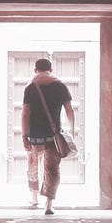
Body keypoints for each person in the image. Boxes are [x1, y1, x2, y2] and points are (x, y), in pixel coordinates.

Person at [21, 57, 75, 215]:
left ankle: (34, 198)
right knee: (52, 170)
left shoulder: (31, 88)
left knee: (33, 167)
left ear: (35, 70)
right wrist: (70, 130)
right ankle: (48, 205)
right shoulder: (60, 86)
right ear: (51, 70)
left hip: (34, 136)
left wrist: (25, 135)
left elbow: (25, 113)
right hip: (53, 136)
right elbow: (69, 110)